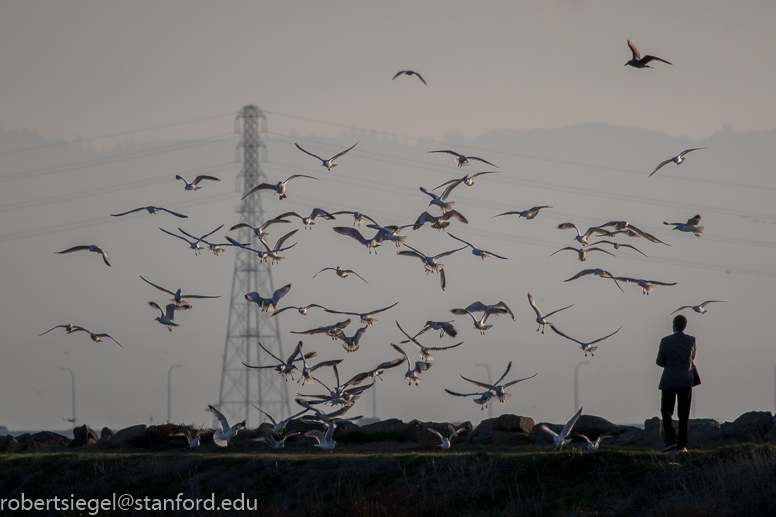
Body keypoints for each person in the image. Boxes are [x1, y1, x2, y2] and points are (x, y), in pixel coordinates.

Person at [656, 314, 700, 452]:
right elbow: (692, 357)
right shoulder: (691, 340)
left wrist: (670, 365)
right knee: (684, 413)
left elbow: (659, 361)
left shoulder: (665, 341)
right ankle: (682, 444)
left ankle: (670, 441)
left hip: (669, 380)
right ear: (685, 326)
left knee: (666, 411)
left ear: (673, 325)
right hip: (686, 380)